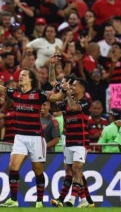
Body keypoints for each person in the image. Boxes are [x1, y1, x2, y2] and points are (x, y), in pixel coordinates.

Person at [0, 69, 66, 208]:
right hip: (20, 137)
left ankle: (39, 201)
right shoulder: (15, 93)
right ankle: (13, 200)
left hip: (35, 138)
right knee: (13, 166)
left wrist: (64, 91)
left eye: (24, 75)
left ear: (30, 79)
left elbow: (57, 97)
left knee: (37, 169)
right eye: (20, 75)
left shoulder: (38, 94)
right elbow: (3, 89)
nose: (20, 77)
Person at [50, 77, 94, 208]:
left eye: (74, 86)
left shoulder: (86, 102)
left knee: (76, 168)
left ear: (82, 89)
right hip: (68, 141)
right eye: (71, 86)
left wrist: (68, 93)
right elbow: (53, 106)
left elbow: (74, 108)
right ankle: (86, 201)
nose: (72, 87)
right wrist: (60, 91)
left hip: (81, 141)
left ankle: (71, 199)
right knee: (70, 171)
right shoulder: (66, 102)